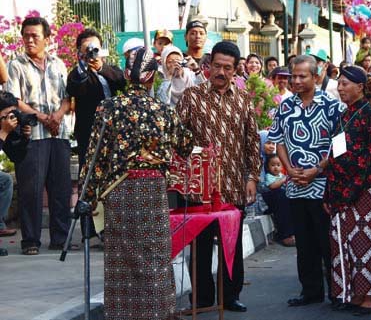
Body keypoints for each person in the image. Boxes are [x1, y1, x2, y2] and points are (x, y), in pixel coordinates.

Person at [83, 47, 193, 320]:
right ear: (151, 78)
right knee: (155, 258)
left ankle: (122, 314)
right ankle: (157, 313)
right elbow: (186, 145)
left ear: (127, 76)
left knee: (122, 259)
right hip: (153, 192)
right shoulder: (163, 111)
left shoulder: (108, 108)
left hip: (119, 192)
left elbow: (95, 154)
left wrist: (88, 194)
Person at [176, 41, 261, 313]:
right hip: (199, 187)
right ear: (208, 66)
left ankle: (231, 295)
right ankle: (201, 298)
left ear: (236, 70)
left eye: (227, 68)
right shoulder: (191, 97)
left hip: (235, 185)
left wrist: (253, 178)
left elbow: (252, 144)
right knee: (199, 246)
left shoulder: (244, 100)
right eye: (217, 66)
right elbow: (178, 140)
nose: (221, 72)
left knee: (231, 243)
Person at [268, 54, 343, 307]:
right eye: (294, 76)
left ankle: (337, 292)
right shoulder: (285, 107)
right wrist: (288, 169)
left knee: (327, 242)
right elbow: (277, 141)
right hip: (295, 186)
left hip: (322, 186)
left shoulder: (332, 106)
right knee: (305, 243)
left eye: (303, 76)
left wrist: (318, 169)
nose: (297, 81)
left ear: (315, 76)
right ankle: (310, 292)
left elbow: (340, 145)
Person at [7, 16, 72, 256]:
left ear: (47, 38)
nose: (30, 40)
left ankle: (60, 238)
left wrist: (57, 115)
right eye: (26, 35)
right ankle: (31, 240)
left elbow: (67, 97)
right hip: (32, 135)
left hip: (59, 133)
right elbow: (14, 100)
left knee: (61, 189)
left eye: (35, 35)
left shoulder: (59, 64)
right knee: (31, 190)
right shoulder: (17, 65)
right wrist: (43, 117)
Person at [324, 66, 371, 316]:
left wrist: (353, 189)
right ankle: (353, 294)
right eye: (339, 84)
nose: (340, 88)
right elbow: (334, 155)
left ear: (360, 86)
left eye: (345, 84)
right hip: (339, 189)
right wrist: (331, 190)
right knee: (343, 243)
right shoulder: (342, 115)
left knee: (363, 243)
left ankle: (368, 298)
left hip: (363, 190)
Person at [67, 28, 126, 169]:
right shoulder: (76, 74)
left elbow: (121, 82)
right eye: (87, 48)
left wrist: (101, 68)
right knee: (89, 171)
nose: (91, 52)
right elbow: (75, 88)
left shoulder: (110, 70)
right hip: (89, 131)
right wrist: (83, 67)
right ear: (79, 52)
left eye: (95, 48)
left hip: (113, 129)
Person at [0, 92, 32, 255]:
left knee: (5, 180)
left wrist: (25, 139)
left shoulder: (5, 126)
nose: (11, 118)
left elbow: (17, 156)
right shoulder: (4, 128)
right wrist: (3, 133)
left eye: (14, 113)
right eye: (7, 115)